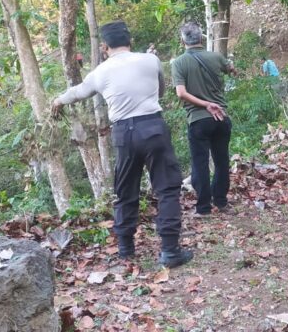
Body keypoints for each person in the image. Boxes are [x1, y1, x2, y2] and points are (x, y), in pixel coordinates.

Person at [51, 21, 192, 268]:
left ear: (104, 47)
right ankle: (170, 251)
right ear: (130, 42)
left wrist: (57, 102)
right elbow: (159, 92)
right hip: (153, 127)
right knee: (167, 189)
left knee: (126, 192)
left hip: (123, 134)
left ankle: (126, 249)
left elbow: (78, 92)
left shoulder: (100, 72)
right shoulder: (151, 61)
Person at [171, 22, 237, 217]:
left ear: (183, 40)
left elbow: (181, 93)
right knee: (222, 160)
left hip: (198, 120)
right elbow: (232, 70)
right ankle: (221, 201)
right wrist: (231, 69)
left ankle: (204, 208)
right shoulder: (216, 57)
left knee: (200, 163)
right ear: (201, 38)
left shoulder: (179, 63)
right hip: (221, 118)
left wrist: (204, 104)